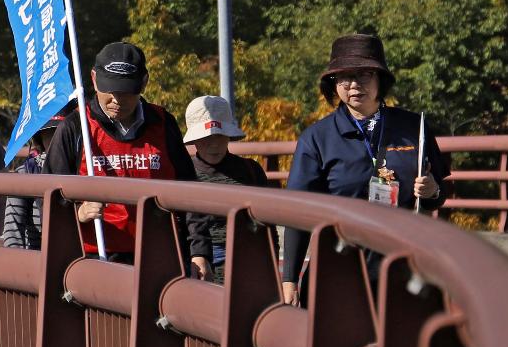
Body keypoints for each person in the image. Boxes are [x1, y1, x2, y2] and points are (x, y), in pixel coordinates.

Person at [279, 34, 449, 301]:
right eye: (344, 77)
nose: (354, 84)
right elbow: (297, 213)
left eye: (365, 74)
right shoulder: (317, 138)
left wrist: (432, 191)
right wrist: (290, 277)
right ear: (333, 84)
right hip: (338, 270)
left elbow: (438, 195)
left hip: (402, 267)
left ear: (381, 79)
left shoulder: (414, 127)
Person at [40, 42, 213, 272]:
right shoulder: (75, 126)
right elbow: (48, 200)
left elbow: (189, 192)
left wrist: (200, 252)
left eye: (125, 91)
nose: (117, 100)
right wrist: (78, 213)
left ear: (144, 82)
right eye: (109, 90)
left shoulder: (163, 123)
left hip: (161, 255)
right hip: (97, 258)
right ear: (93, 79)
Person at [181, 94, 272, 276]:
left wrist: (273, 271)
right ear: (195, 139)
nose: (214, 144)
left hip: (247, 263)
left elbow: (267, 228)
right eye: (206, 137)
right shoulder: (182, 172)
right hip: (196, 263)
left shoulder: (250, 171)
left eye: (220, 136)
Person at [0, 108, 70, 250]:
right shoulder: (26, 173)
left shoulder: (86, 169)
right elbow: (13, 230)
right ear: (40, 138)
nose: (59, 140)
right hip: (38, 255)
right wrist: (18, 265)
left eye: (65, 134)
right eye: (51, 134)